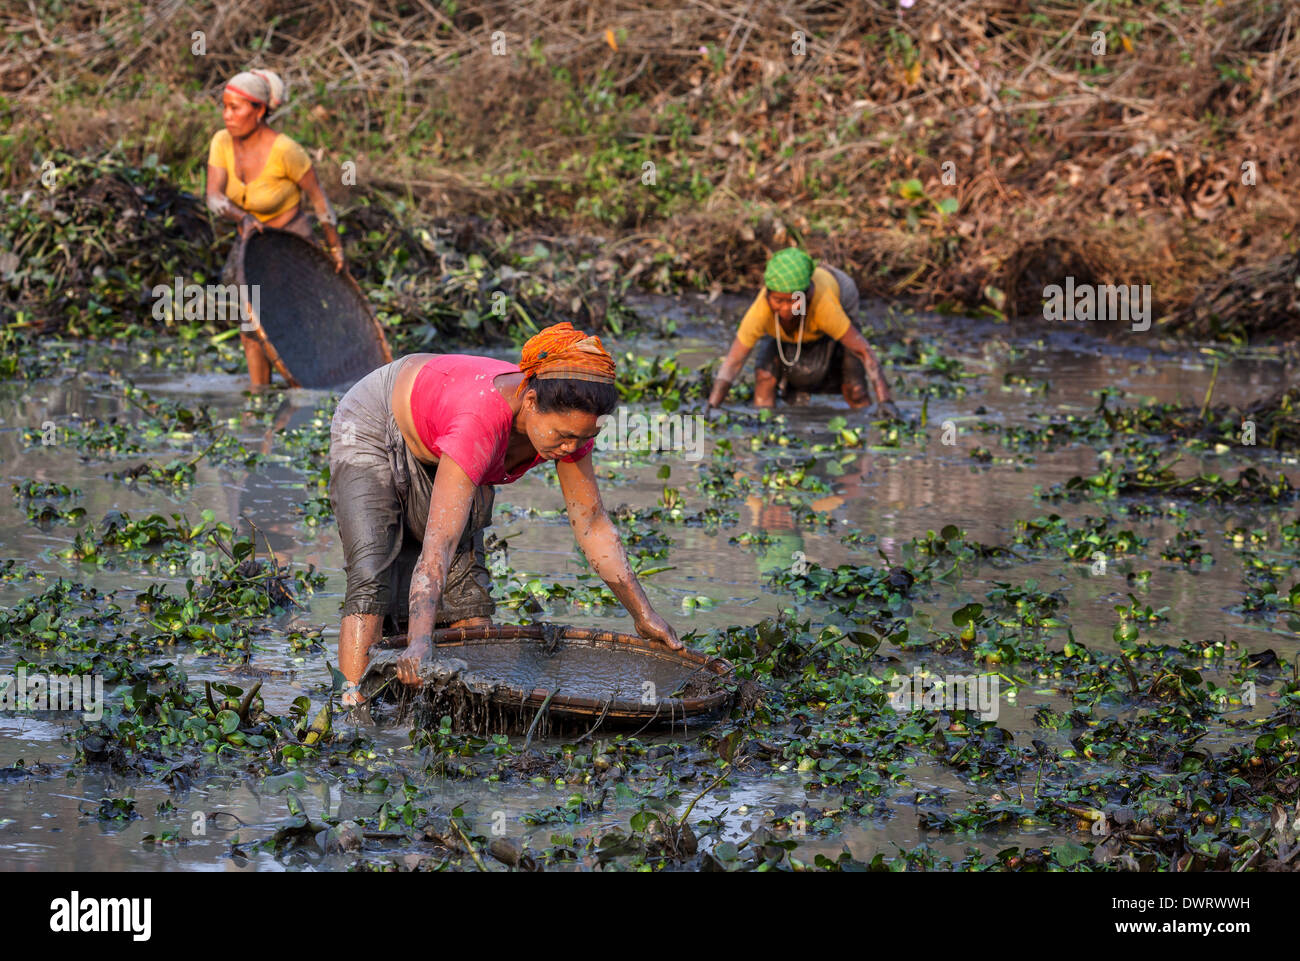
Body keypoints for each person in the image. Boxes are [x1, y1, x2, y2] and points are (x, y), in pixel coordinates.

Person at [328, 322, 682, 707]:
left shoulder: (571, 433)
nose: (572, 447)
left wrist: (643, 614)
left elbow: (592, 525)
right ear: (529, 402)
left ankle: (457, 709)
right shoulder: (480, 420)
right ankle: (352, 704)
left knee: (468, 604)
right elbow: (437, 548)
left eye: (584, 438)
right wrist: (419, 642)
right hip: (374, 421)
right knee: (372, 571)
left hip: (445, 434)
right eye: (563, 435)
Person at [204, 69, 345, 386]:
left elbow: (321, 203)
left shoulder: (286, 151)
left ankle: (304, 387)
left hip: (289, 245)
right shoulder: (221, 142)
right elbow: (213, 196)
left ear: (259, 111)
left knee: (285, 319)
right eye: (224, 107)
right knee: (249, 322)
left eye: (236, 108)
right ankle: (260, 393)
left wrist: (335, 248)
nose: (227, 116)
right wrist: (242, 217)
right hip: (251, 243)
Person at [705, 248, 898, 417]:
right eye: (779, 301)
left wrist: (885, 401)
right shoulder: (760, 310)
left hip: (841, 295)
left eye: (794, 301)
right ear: (768, 296)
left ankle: (860, 423)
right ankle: (766, 426)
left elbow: (864, 351)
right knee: (764, 377)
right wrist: (712, 405)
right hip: (793, 329)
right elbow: (734, 361)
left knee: (854, 388)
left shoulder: (825, 307)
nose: (787, 310)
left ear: (808, 294)